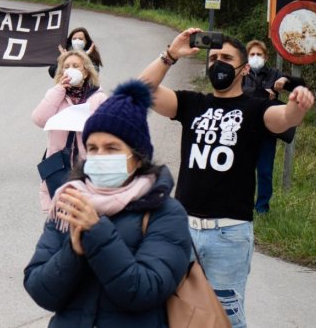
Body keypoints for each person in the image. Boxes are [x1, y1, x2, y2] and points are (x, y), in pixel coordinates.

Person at [138, 28, 315, 328]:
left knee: (226, 318)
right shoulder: (192, 103)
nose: (218, 63)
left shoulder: (256, 108)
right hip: (183, 230)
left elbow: (285, 118)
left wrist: (298, 104)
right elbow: (141, 91)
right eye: (213, 58)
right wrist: (170, 54)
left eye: (226, 58)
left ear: (244, 68)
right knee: (173, 312)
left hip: (229, 235)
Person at [24, 80, 192, 327]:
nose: (100, 156)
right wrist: (74, 250)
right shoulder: (69, 201)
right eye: (92, 148)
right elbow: (40, 290)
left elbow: (144, 291)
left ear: (137, 156)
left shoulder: (165, 212)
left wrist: (96, 233)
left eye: (112, 148)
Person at [32, 50, 108, 213]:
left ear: (85, 71)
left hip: (87, 169)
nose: (70, 69)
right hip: (59, 167)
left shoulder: (98, 98)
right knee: (61, 221)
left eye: (75, 66)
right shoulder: (56, 95)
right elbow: (39, 119)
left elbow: (109, 130)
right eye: (66, 66)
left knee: (88, 219)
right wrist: (59, 89)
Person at [243, 39, 305, 214]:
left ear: (266, 56)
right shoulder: (241, 72)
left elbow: (300, 84)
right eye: (252, 54)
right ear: (246, 57)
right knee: (242, 170)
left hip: (266, 130)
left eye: (259, 54)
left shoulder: (273, 73)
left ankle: (262, 208)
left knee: (264, 170)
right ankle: (242, 204)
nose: (255, 58)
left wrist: (286, 79)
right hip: (244, 128)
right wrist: (262, 93)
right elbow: (235, 91)